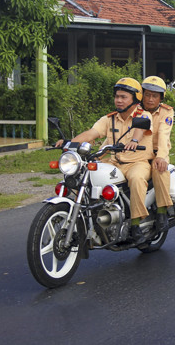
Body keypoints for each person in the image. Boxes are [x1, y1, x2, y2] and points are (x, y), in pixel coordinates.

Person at [57, 78, 154, 244]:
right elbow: (91, 133)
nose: (119, 100)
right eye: (117, 96)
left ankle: (136, 223)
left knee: (137, 179)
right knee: (87, 173)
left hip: (137, 163)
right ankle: (94, 215)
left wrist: (135, 142)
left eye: (124, 97)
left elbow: (140, 129)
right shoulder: (109, 119)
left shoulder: (143, 116)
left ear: (135, 99)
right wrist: (70, 144)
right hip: (114, 162)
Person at [141, 75, 175, 232]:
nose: (150, 99)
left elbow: (163, 134)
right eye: (147, 94)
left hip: (157, 152)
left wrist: (161, 156)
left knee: (159, 170)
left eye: (154, 96)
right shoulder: (136, 110)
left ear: (160, 98)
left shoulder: (166, 112)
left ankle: (162, 211)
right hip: (139, 153)